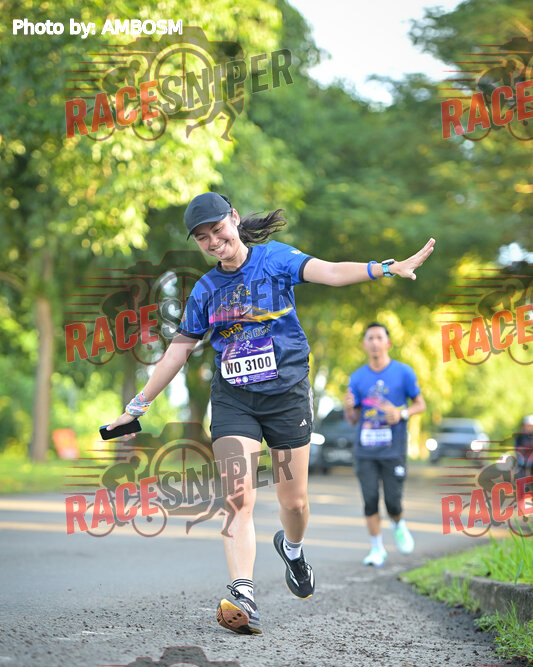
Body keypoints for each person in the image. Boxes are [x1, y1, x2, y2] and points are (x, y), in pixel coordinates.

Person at [105, 191, 435, 634]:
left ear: (233, 219)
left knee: (293, 502)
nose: (213, 242)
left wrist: (386, 268)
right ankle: (243, 593)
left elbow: (331, 272)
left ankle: (293, 550)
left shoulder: (275, 259)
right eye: (202, 238)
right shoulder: (205, 291)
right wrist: (136, 407)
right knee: (238, 497)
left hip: (287, 397)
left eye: (217, 230)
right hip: (234, 400)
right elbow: (176, 353)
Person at [344, 323, 426, 567]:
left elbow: (420, 404)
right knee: (370, 499)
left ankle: (398, 524)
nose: (374, 342)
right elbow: (353, 419)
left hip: (394, 448)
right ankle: (377, 549)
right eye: (370, 338)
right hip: (365, 449)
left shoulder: (404, 372)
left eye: (379, 337)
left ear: (388, 343)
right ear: (364, 344)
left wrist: (401, 413)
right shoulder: (357, 377)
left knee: (393, 502)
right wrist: (348, 407)